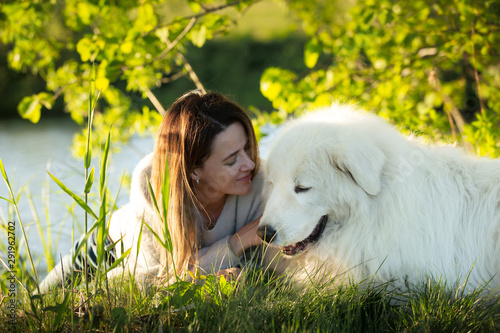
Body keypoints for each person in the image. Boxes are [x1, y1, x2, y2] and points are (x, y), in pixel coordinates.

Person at [39, 90, 269, 291]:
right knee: (36, 303)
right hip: (110, 247)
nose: (249, 163)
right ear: (193, 170)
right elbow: (157, 284)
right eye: (231, 160)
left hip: (171, 267)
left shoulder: (261, 180)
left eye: (247, 149)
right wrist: (236, 243)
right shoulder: (151, 179)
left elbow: (262, 269)